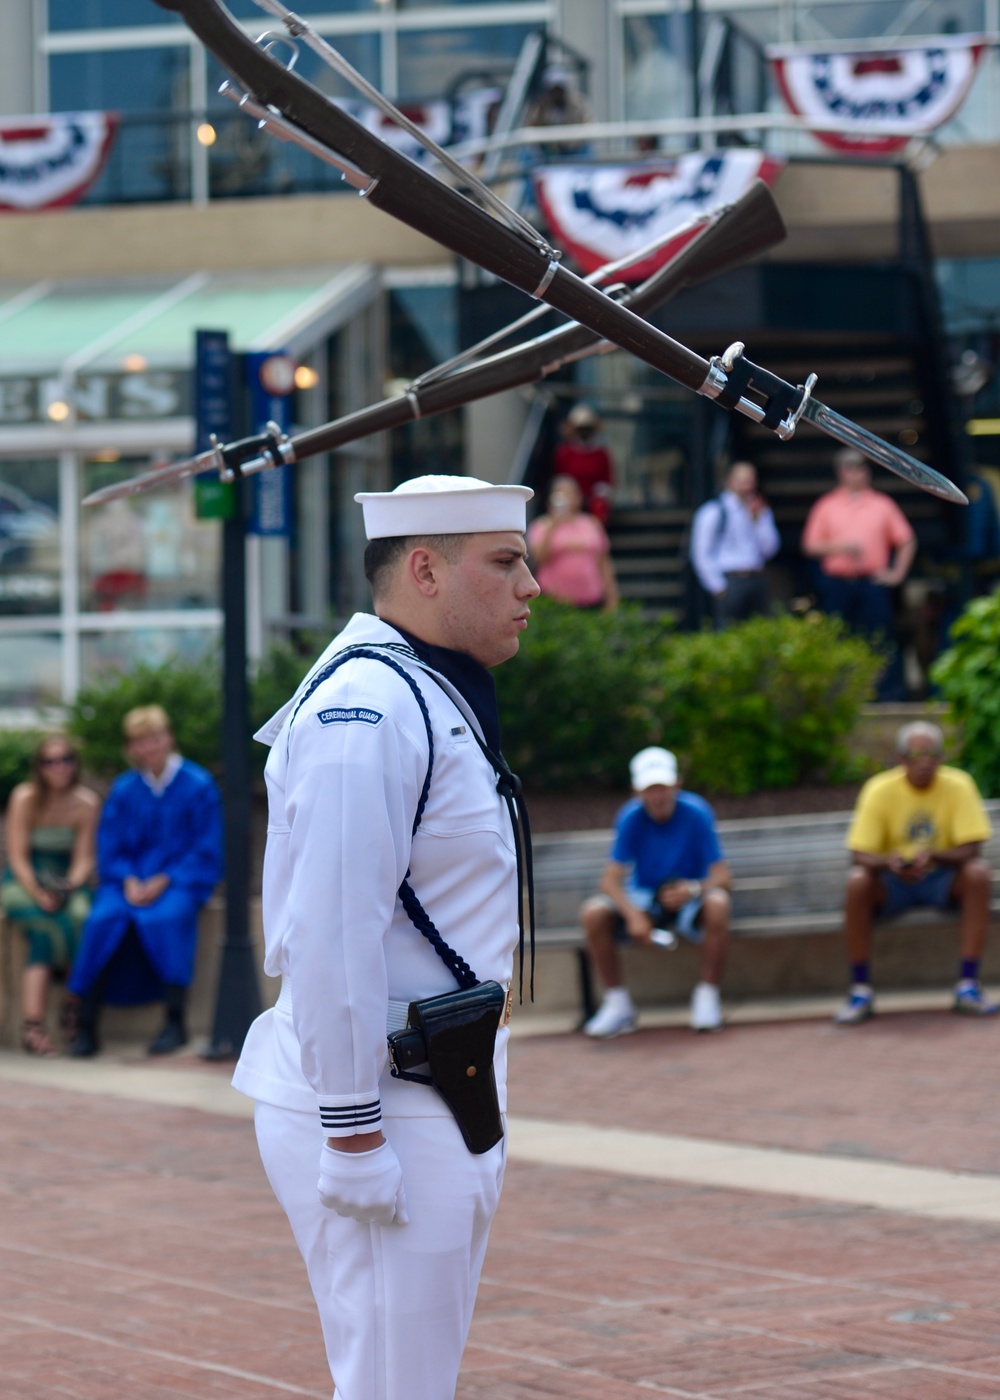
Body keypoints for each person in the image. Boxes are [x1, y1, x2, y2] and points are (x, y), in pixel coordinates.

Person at [231, 474, 540, 1400]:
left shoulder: (424, 688)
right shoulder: (364, 710)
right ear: (423, 569)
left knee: (410, 1380)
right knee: (393, 1386)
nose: (531, 584)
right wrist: (353, 1135)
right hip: (383, 1094)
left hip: (439, 1080)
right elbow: (329, 931)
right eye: (505, 561)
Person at [68, 705, 222, 1057]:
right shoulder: (125, 790)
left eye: (155, 738)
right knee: (102, 919)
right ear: (132, 747)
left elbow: (205, 848)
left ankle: (175, 1022)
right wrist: (128, 879)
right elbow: (110, 846)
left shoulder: (198, 786)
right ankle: (86, 1025)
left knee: (166, 918)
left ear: (168, 738)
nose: (149, 747)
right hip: (127, 882)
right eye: (140, 741)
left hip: (178, 880)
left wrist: (165, 879)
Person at [834, 720, 995, 1025]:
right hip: (892, 883)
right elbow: (860, 855)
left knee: (977, 873)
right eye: (915, 754)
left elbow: (971, 849)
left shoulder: (958, 784)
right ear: (900, 758)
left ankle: (968, 985)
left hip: (942, 879)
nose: (924, 762)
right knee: (857, 883)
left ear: (940, 756)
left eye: (931, 753)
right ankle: (860, 990)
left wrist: (933, 855)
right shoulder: (879, 789)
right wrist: (890, 863)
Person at [580, 746, 731, 1037]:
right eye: (650, 788)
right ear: (637, 791)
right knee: (593, 913)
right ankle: (618, 1004)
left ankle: (707, 997)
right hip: (645, 899)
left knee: (718, 903)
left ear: (676, 785)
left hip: (690, 900)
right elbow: (609, 881)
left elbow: (724, 877)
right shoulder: (630, 817)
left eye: (663, 787)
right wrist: (634, 915)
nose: (658, 795)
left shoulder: (697, 812)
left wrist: (692, 888)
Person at [1, 735, 99, 1056]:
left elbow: (84, 857)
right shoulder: (24, 797)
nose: (58, 767)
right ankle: (36, 1024)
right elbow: (17, 856)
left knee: (81, 918)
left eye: (65, 759)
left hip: (67, 879)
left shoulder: (86, 802)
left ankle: (71, 1006)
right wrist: (39, 893)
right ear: (39, 767)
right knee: (45, 927)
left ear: (75, 762)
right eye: (50, 761)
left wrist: (68, 886)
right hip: (24, 879)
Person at [801, 447, 916, 699]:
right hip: (837, 584)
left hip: (871, 582)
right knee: (837, 639)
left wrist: (897, 574)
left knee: (880, 640)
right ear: (841, 472)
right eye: (850, 468)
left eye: (861, 468)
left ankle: (887, 696)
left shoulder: (882, 504)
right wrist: (840, 546)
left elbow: (906, 540)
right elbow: (810, 546)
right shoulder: (827, 505)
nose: (857, 473)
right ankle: (839, 695)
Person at [690, 461, 780, 626]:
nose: (748, 486)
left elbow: (770, 549)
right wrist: (718, 587)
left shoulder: (760, 510)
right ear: (729, 481)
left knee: (759, 632)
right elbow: (700, 552)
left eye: (751, 481)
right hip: (730, 581)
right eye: (742, 481)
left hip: (756, 578)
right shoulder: (713, 511)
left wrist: (757, 521)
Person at [527, 474, 619, 610]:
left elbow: (603, 562)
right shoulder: (541, 526)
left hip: (592, 600)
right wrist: (554, 525)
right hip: (554, 601)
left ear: (578, 498)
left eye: (569, 494)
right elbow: (539, 558)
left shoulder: (591, 524)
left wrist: (612, 597)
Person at [551, 403, 616, 523]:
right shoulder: (565, 452)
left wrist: (599, 493)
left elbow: (607, 480)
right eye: (581, 428)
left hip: (593, 500)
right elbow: (561, 477)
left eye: (587, 428)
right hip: (570, 497)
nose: (584, 432)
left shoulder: (601, 453)